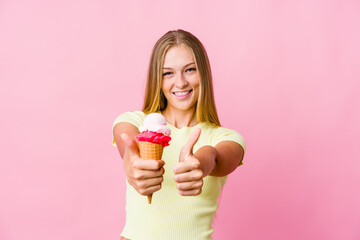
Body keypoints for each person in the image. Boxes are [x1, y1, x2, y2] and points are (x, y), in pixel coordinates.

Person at [112, 29, 246, 240]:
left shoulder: (227, 138)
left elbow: (217, 157)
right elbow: (129, 147)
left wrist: (201, 162)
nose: (181, 82)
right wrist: (132, 165)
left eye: (190, 70)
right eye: (168, 73)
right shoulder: (134, 122)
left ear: (203, 73)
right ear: (158, 79)